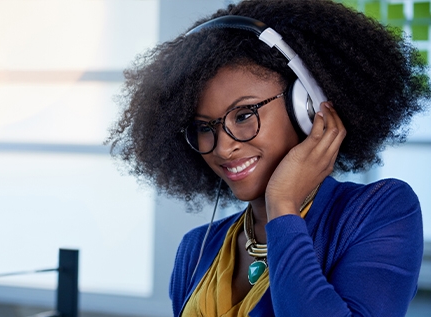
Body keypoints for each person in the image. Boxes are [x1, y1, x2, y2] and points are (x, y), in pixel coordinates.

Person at [107, 0, 430, 316]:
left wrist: (282, 207)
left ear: (307, 107)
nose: (222, 148)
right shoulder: (196, 248)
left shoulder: (379, 210)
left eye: (244, 115)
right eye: (204, 127)